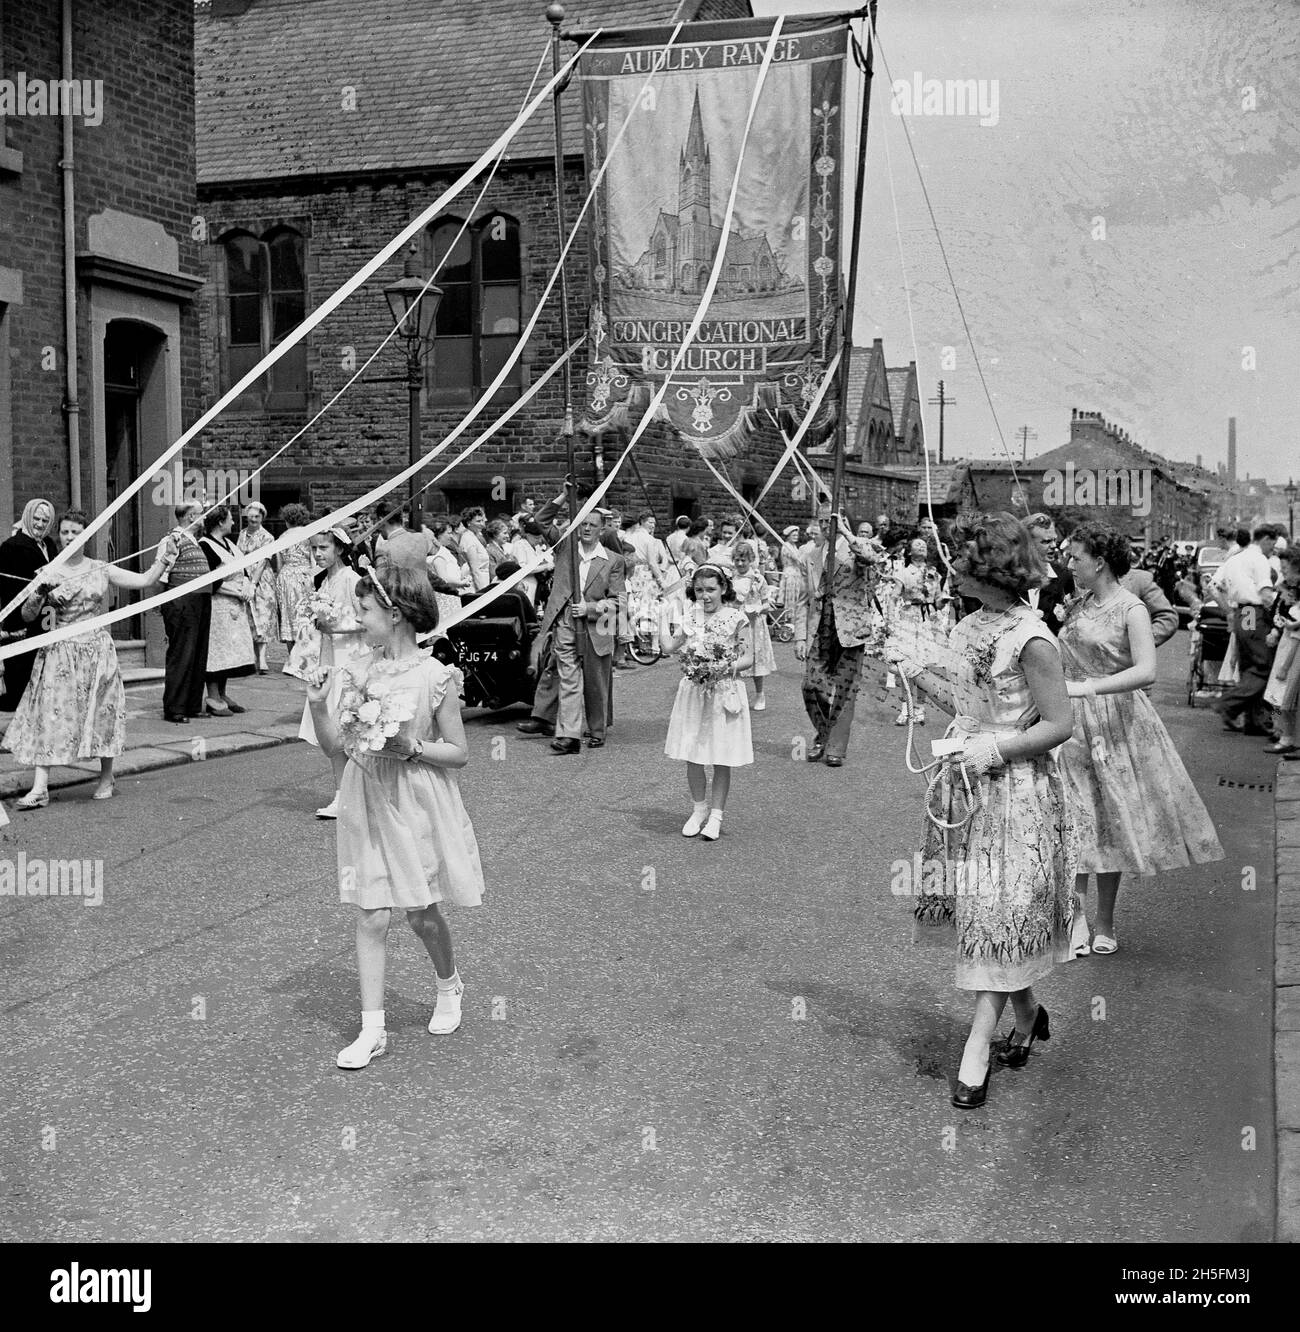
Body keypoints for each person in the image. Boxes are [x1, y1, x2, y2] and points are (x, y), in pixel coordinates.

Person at [885, 513, 1078, 1110]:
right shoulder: (972, 622)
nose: (954, 575)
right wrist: (915, 666)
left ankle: (977, 1042)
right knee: (983, 910)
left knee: (999, 907)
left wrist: (991, 747)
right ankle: (1027, 1015)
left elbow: (1059, 724)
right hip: (964, 784)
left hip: (1015, 790)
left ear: (991, 573)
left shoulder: (1034, 638)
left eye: (964, 566)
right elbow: (967, 699)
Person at [306, 562, 484, 1069]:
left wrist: (412, 748)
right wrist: (319, 707)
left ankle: (449, 985)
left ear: (397, 613)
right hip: (365, 795)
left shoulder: (436, 675)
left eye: (364, 610)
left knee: (421, 912)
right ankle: (373, 1029)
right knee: (371, 912)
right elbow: (335, 746)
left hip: (414, 801)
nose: (356, 619)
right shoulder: (358, 669)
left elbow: (460, 753)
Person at [1056, 523, 1224, 956]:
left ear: (1100, 561)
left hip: (1115, 722)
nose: (1070, 564)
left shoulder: (1130, 609)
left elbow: (1146, 670)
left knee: (1109, 820)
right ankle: (1073, 919)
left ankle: (1105, 922)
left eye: (1076, 557)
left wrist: (1088, 687)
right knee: (1073, 820)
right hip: (1069, 723)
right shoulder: (1080, 603)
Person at [3, 508, 172, 807]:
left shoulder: (100, 568)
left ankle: (106, 776)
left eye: (76, 532)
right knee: (49, 715)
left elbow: (146, 581)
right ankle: (40, 788)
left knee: (101, 713)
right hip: (59, 651)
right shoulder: (48, 570)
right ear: (60, 535)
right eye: (65, 532)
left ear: (86, 536)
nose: (70, 537)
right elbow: (27, 616)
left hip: (96, 650)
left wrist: (164, 553)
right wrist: (40, 591)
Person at [520, 506, 625, 754]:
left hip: (597, 624)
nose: (587, 528)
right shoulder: (566, 549)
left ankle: (597, 729)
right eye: (583, 524)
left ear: (602, 529)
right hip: (566, 621)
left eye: (592, 524)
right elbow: (541, 521)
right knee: (568, 676)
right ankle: (569, 735)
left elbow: (619, 601)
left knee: (595, 681)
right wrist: (564, 496)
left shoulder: (613, 560)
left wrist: (590, 607)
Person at [661, 563, 754, 840]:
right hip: (694, 691)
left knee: (720, 756)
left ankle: (716, 815)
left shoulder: (736, 617)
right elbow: (669, 647)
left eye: (711, 589)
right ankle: (698, 809)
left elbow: (749, 658)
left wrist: (722, 667)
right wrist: (660, 618)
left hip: (724, 690)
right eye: (699, 590)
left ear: (723, 588)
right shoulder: (691, 616)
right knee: (693, 754)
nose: (705, 596)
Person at [793, 512, 884, 766]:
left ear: (841, 520)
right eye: (821, 521)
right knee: (811, 684)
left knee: (844, 690)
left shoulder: (856, 546)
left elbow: (870, 557)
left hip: (850, 630)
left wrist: (845, 531)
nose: (824, 525)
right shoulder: (811, 555)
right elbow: (802, 599)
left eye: (830, 520)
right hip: (820, 629)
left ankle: (836, 747)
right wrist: (800, 636)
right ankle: (823, 733)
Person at [297, 527, 368, 818]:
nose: (317, 554)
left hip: (351, 660)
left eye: (323, 548)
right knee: (333, 731)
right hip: (330, 660)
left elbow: (367, 620)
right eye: (314, 549)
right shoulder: (323, 582)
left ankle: (361, 794)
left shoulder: (352, 579)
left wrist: (336, 626)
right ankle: (342, 795)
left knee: (353, 730)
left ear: (339, 548)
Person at [1210, 524, 1279, 735]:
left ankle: (1254, 721)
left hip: (1242, 613)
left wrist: (1229, 612)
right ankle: (1228, 705)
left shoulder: (1234, 559)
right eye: (1272, 545)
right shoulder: (1260, 560)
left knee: (1249, 667)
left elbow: (1212, 586)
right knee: (1262, 666)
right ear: (1265, 539)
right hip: (1255, 613)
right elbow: (1266, 594)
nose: (1273, 550)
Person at [0, 498, 58, 712]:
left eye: (45, 520)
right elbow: (7, 589)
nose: (40, 524)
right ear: (27, 516)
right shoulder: (11, 547)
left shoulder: (49, 545)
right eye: (36, 518)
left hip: (45, 618)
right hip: (21, 622)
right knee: (19, 682)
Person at [198, 505, 257, 716]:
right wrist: (236, 592)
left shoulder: (230, 544)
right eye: (231, 519)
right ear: (221, 522)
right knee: (217, 652)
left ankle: (223, 693)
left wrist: (249, 587)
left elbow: (245, 571)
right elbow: (210, 582)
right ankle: (212, 696)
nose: (233, 523)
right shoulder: (205, 546)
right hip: (218, 608)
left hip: (235, 608)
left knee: (229, 654)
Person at [731, 539, 775, 711]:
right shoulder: (730, 577)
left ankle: (759, 694)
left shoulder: (758, 579)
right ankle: (733, 694)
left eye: (744, 560)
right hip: (735, 623)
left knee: (754, 661)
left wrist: (757, 609)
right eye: (737, 560)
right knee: (734, 658)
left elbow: (767, 604)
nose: (740, 563)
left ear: (751, 560)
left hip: (754, 625)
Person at [236, 501, 278, 674]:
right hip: (245, 576)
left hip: (262, 579)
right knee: (249, 616)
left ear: (262, 517)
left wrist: (253, 582)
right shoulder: (242, 533)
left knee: (263, 616)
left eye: (257, 517)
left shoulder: (267, 537)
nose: (253, 520)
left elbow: (262, 562)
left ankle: (262, 657)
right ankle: (252, 656)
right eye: (250, 516)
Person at [1021, 513, 1075, 632]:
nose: (1054, 546)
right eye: (1046, 542)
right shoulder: (1010, 576)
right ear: (1027, 544)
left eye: (1054, 540)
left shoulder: (1063, 576)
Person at [275, 503, 314, 662]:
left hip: (286, 577)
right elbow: (313, 559)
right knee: (305, 615)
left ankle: (293, 659)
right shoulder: (309, 534)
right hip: (304, 575)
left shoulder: (282, 537)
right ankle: (306, 658)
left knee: (288, 616)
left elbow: (279, 564)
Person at [427, 516, 472, 628]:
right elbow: (444, 579)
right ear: (438, 535)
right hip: (446, 598)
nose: (451, 536)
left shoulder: (444, 551)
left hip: (451, 595)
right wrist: (462, 583)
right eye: (448, 533)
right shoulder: (439, 556)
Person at [459, 507, 490, 592]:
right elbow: (474, 569)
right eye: (478, 521)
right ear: (469, 523)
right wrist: (482, 592)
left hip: (482, 580)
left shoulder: (475, 536)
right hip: (474, 585)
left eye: (482, 520)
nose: (482, 524)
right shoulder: (468, 539)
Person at [483, 518, 509, 582]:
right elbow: (493, 574)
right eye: (505, 533)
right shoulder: (490, 550)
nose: (508, 536)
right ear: (495, 534)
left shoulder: (501, 548)